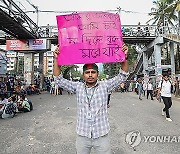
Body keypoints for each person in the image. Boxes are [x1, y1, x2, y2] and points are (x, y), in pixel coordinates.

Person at [53, 43, 129, 154]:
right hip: (83, 135)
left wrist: (124, 57)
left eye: (93, 72)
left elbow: (122, 75)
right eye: (87, 72)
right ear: (83, 74)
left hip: (101, 134)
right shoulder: (77, 87)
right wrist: (57, 59)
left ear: (97, 74)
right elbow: (58, 80)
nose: (90, 75)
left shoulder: (105, 86)